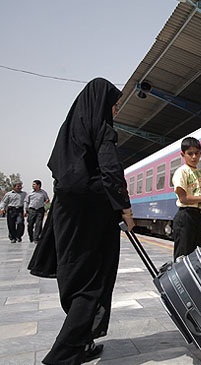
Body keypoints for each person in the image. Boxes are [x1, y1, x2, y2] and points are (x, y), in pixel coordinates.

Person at [41, 78, 135, 365]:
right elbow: (110, 170)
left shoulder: (70, 129)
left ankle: (83, 343)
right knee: (94, 280)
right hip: (93, 212)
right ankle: (64, 354)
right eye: (114, 105)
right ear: (102, 104)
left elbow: (57, 168)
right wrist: (126, 210)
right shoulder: (103, 129)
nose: (116, 111)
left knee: (77, 275)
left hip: (66, 210)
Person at [171, 136, 201, 260]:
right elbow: (183, 198)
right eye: (190, 154)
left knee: (193, 254)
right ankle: (181, 279)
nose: (194, 157)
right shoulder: (181, 172)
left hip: (198, 216)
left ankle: (191, 278)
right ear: (183, 154)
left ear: (200, 153)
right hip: (185, 216)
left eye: (196, 153)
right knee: (183, 255)